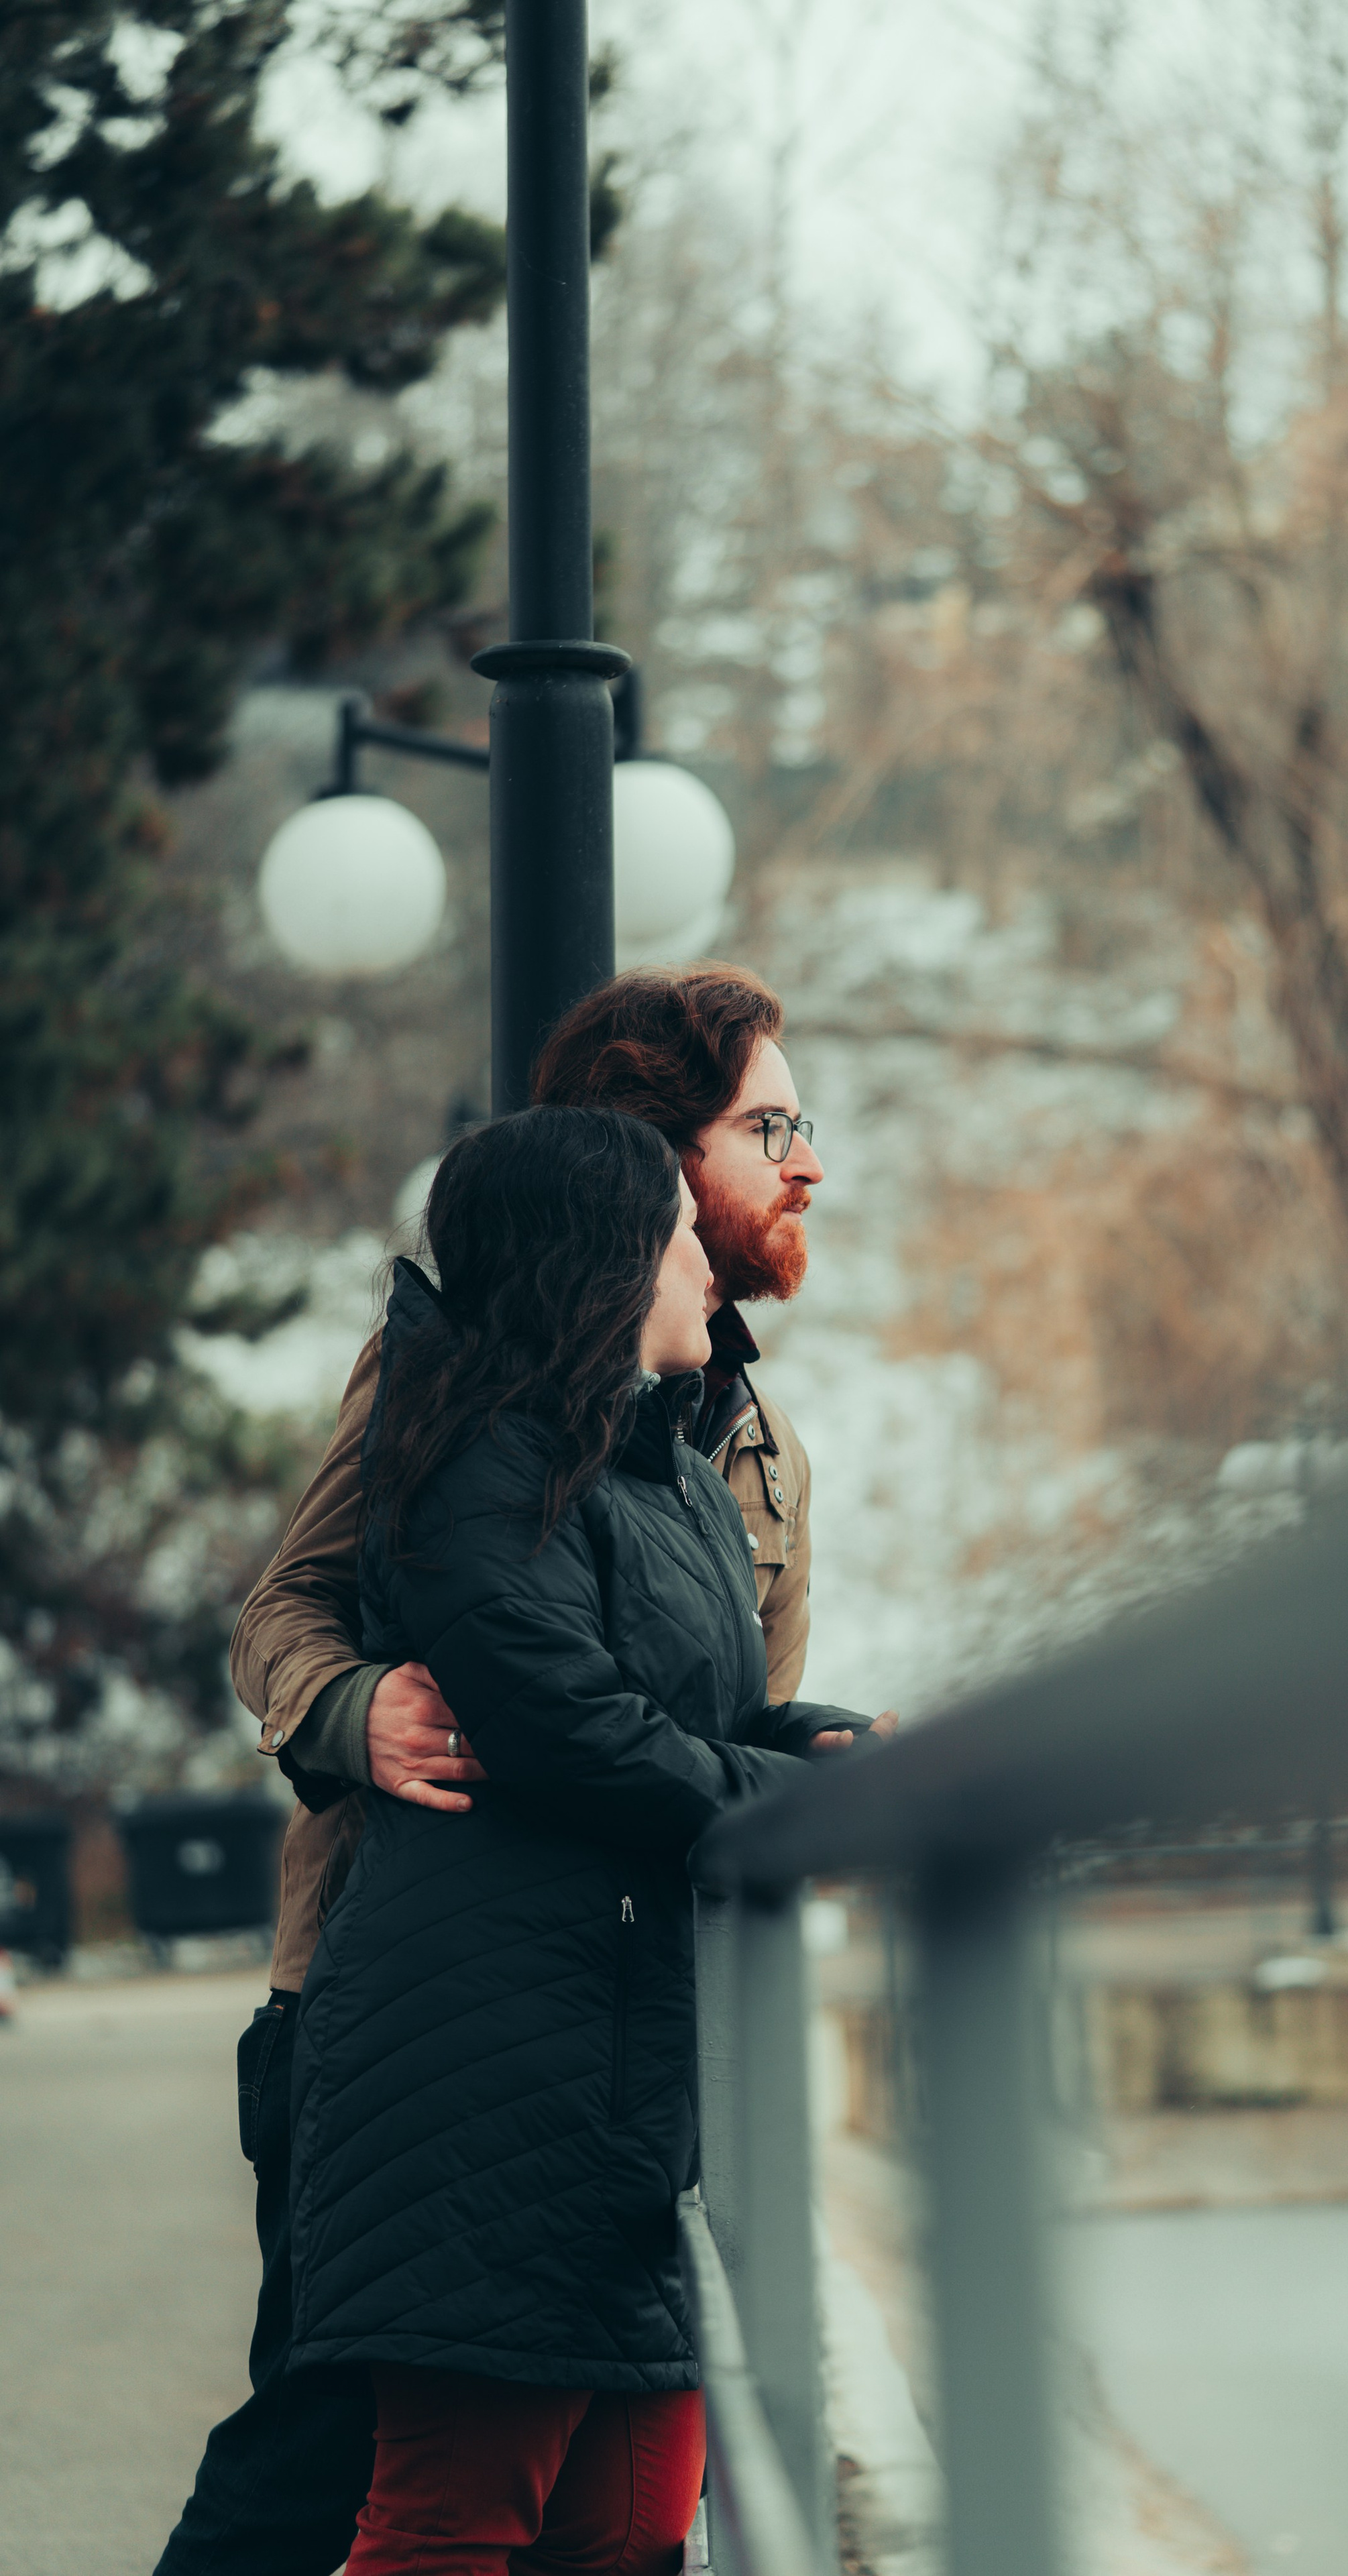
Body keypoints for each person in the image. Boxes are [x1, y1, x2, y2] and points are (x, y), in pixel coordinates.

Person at [156, 966, 871, 2576]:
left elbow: (702, 1722)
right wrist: (356, 1713)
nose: (807, 1164)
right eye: (769, 1127)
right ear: (654, 1168)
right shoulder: (458, 1382)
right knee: (327, 2471)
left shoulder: (742, 1440)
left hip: (627, 2023)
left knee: (608, 2512)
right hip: (430, 2000)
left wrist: (806, 1757)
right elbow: (290, 1610)